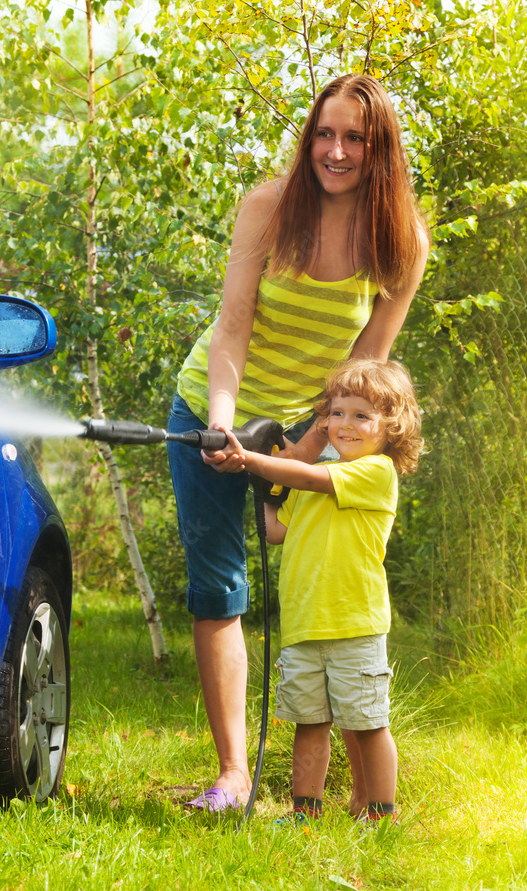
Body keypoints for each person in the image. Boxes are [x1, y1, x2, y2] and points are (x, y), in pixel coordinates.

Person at [167, 73, 429, 814]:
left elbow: (364, 371)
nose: (335, 151)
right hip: (210, 404)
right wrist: (222, 425)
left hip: (313, 424)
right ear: (307, 137)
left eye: (354, 137)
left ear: (380, 150)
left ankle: (351, 783)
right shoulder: (266, 208)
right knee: (219, 583)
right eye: (323, 133)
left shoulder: (400, 240)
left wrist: (300, 451)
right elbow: (232, 328)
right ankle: (233, 775)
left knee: (309, 562)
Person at [211, 358, 424, 824]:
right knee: (309, 723)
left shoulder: (375, 473)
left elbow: (305, 476)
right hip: (304, 623)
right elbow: (275, 529)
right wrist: (264, 482)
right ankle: (304, 811)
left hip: (354, 623)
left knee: (367, 724)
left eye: (362, 415)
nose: (344, 424)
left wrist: (253, 457)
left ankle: (379, 814)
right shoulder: (313, 480)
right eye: (337, 413)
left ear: (393, 428)